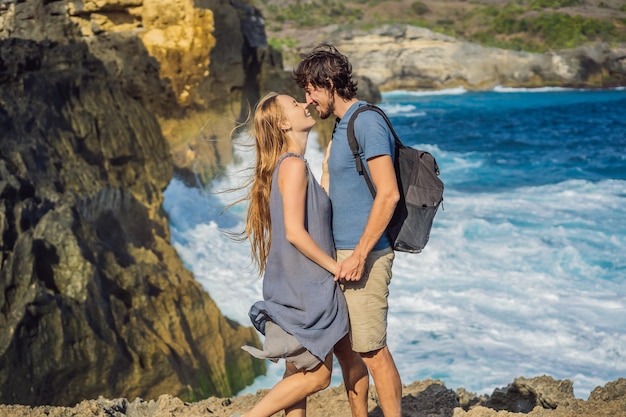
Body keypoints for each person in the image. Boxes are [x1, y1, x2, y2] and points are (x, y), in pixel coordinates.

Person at [293, 44, 403, 417]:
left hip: (364, 255)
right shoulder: (341, 126)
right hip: (337, 256)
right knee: (346, 350)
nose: (308, 100)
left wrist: (359, 254)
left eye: (310, 91)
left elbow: (388, 194)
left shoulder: (366, 121)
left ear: (328, 84)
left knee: (372, 350)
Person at [234, 92, 350, 417]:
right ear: (285, 123)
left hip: (292, 282)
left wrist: (326, 171)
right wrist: (335, 267)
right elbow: (295, 233)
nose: (304, 104)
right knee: (320, 376)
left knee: (295, 373)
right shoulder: (293, 165)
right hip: (306, 287)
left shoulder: (290, 166)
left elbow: (314, 214)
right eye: (295, 105)